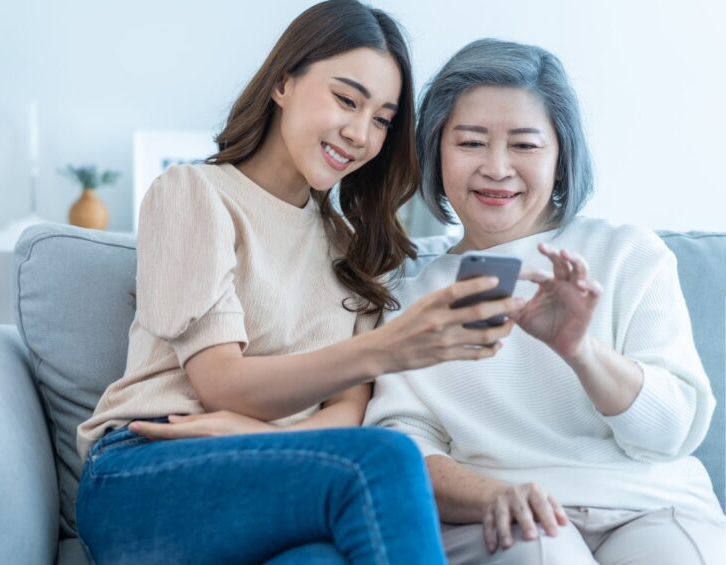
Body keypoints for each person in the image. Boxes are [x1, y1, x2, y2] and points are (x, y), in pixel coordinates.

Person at [74, 2, 526, 563]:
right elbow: (219, 383)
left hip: (284, 474)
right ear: (285, 81)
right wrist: (385, 348)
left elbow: (348, 409)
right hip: (148, 466)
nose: (361, 134)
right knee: (388, 458)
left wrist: (257, 436)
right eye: (346, 99)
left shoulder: (353, 249)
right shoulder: (193, 193)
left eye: (383, 119)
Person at [365, 38, 726, 565]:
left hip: (655, 504)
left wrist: (580, 350)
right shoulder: (406, 292)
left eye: (525, 145)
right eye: (469, 143)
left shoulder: (629, 254)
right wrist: (493, 495)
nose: (496, 167)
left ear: (560, 157)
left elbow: (671, 433)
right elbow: (403, 447)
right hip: (504, 510)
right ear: (434, 153)